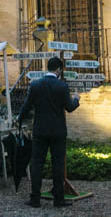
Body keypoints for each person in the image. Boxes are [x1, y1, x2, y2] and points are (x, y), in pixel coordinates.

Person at [17, 56, 80, 208]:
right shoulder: (62, 86)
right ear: (58, 69)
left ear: (48, 68)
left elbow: (26, 107)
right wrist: (77, 99)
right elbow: (70, 108)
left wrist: (19, 120)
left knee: (37, 164)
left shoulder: (36, 85)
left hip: (40, 130)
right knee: (57, 165)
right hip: (58, 131)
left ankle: (35, 199)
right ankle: (58, 199)